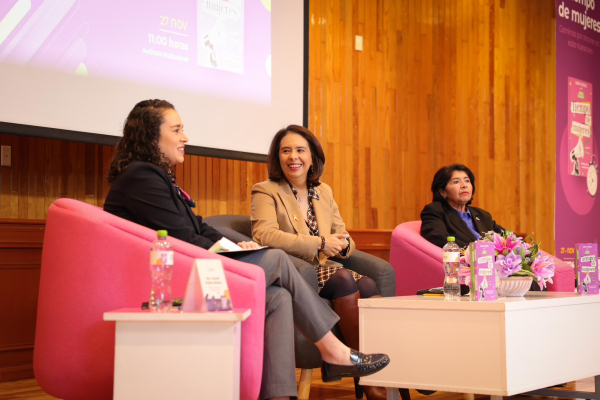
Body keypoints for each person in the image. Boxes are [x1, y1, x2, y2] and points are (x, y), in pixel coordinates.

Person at [103, 100, 389, 400]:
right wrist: (233, 254)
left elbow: (198, 227)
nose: (185, 137)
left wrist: (237, 245)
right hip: (165, 278)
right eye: (177, 130)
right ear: (151, 136)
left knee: (278, 297)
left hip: (188, 266)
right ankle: (333, 350)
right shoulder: (141, 177)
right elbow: (183, 238)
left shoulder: (155, 175)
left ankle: (281, 395)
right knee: (277, 258)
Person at [251, 125, 387, 400]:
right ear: (278, 158)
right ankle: (368, 381)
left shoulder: (323, 191)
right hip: (293, 270)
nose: (293, 157)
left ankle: (373, 376)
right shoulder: (266, 190)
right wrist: (321, 243)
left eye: (300, 150)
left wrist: (344, 244)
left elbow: (343, 233)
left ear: (312, 158)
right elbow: (263, 234)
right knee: (344, 279)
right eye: (286, 151)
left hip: (329, 268)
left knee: (370, 284)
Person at [420, 164, 504, 249]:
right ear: (443, 192)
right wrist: (479, 251)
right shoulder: (435, 211)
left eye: (467, 181)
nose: (464, 185)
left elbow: (507, 236)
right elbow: (439, 239)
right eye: (456, 182)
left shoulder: (483, 215)